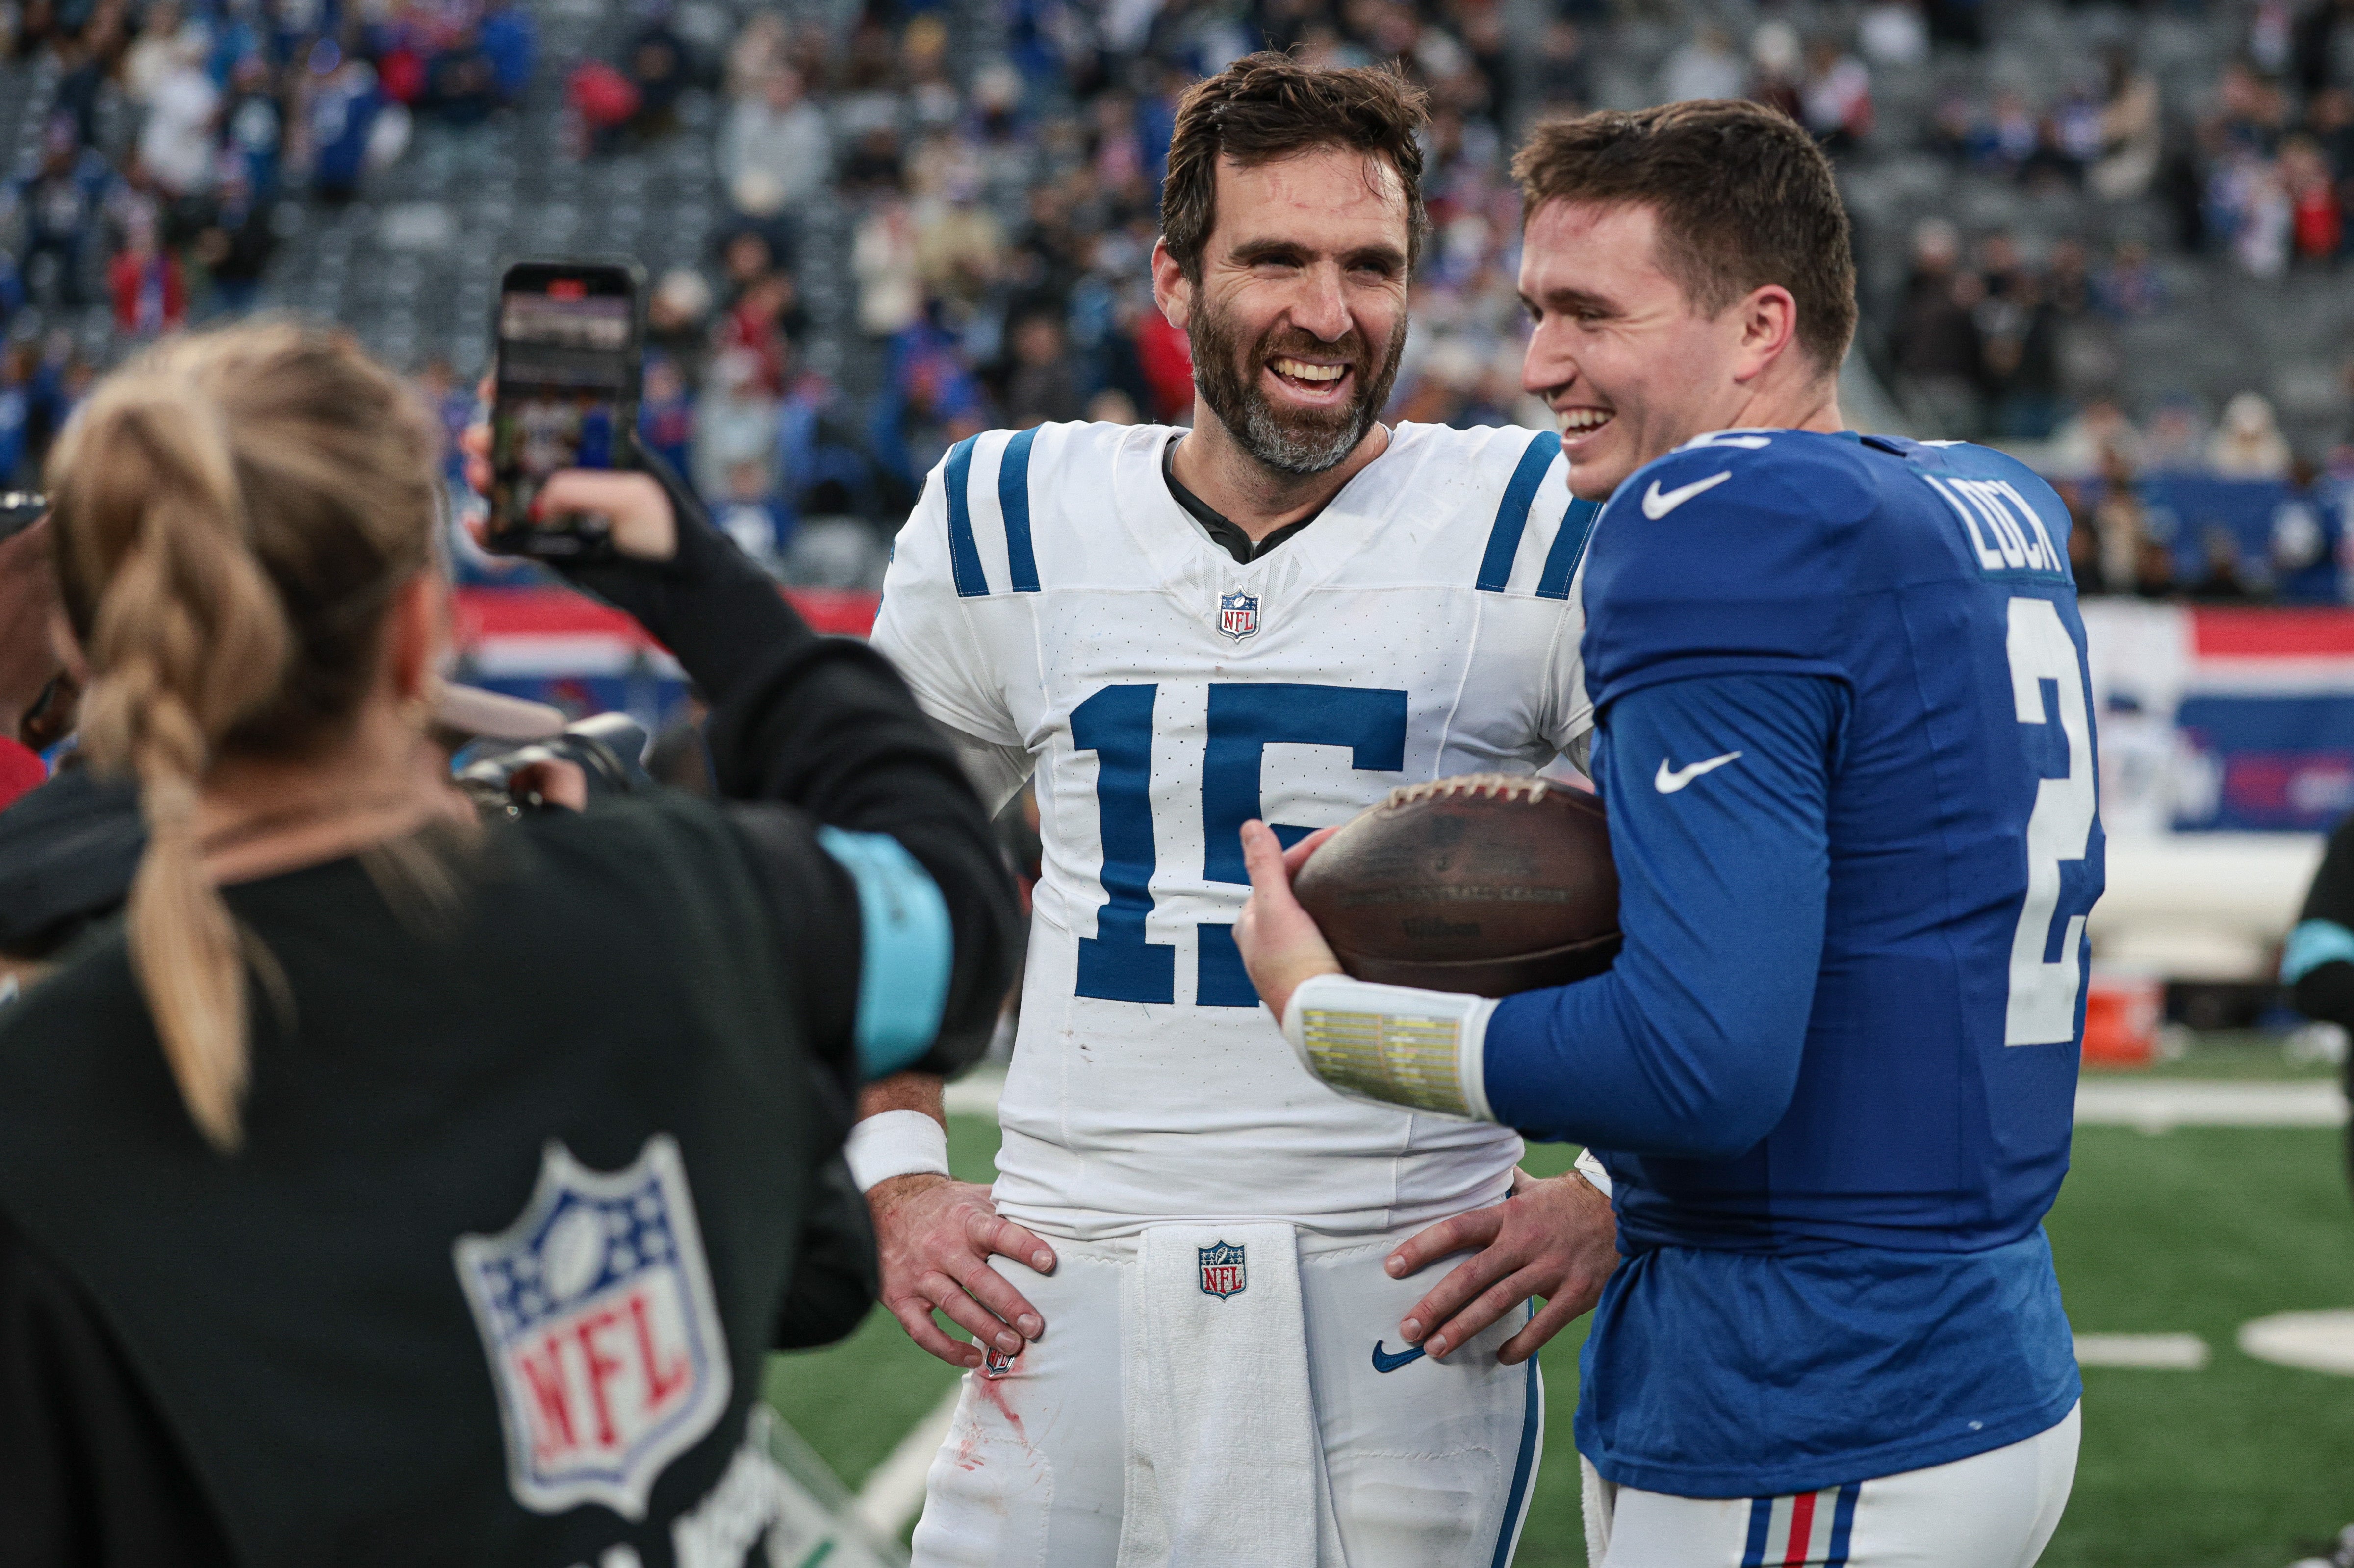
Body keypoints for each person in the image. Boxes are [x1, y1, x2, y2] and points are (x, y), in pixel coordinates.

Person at [0, 320, 1020, 1564]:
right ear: (425, 635)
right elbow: (950, 894)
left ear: (88, 660)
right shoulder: (673, 902)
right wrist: (695, 585)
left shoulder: (41, 1094)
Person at [1236, 100, 2098, 1568]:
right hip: (1966, 1334)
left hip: (1820, 1389)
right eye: (1531, 311)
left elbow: (1703, 1067)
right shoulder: (1983, 497)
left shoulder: (1716, 514)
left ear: (1759, 327)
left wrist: (1333, 1019)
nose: (1538, 365)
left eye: (1589, 312)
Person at [860, 53, 1619, 1568]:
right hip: (1063, 1254)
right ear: (1172, 277)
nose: (1327, 314)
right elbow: (877, 880)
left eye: (1371, 266)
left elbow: (1720, 873)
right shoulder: (1004, 510)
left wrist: (1611, 1184)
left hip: (1398, 1275)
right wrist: (898, 1175)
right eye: (1276, 257)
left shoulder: (1545, 517)